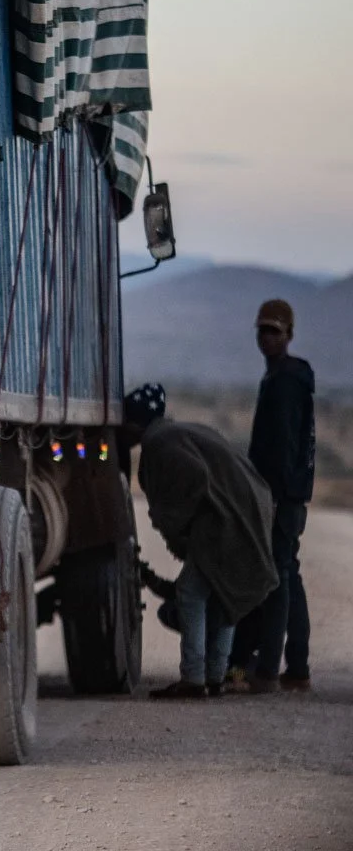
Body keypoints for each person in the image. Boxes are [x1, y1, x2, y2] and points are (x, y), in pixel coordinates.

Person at [123, 385, 278, 699]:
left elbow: (193, 480)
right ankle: (215, 676)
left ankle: (194, 678)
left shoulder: (159, 442)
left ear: (134, 424)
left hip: (222, 523)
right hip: (246, 516)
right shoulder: (181, 431)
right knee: (222, 598)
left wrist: (178, 525)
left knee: (191, 594)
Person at [225, 299, 316, 694]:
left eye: (275, 331)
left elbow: (283, 447)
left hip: (281, 496)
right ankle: (296, 667)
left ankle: (266, 673)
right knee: (287, 574)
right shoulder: (280, 378)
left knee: (277, 578)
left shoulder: (285, 383)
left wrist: (273, 496)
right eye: (262, 330)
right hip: (286, 494)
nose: (267, 338)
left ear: (289, 335)